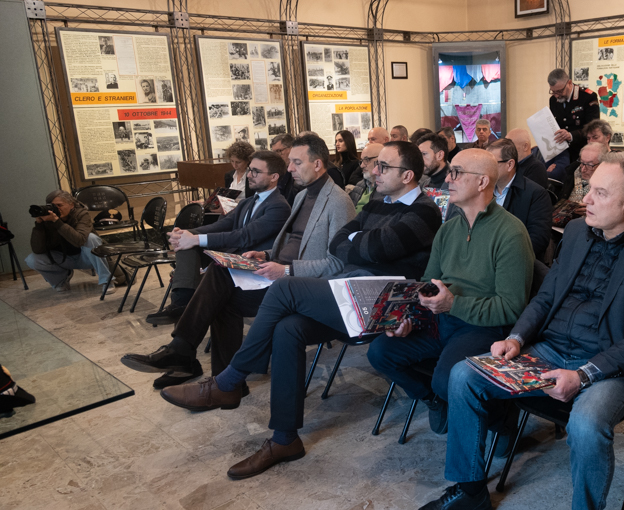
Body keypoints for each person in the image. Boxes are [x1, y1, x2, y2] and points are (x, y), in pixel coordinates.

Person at [413, 151, 624, 510]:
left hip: (611, 365)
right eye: (589, 188)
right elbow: (545, 297)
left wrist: (584, 375)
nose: (586, 199)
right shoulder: (577, 232)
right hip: (552, 348)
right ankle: (470, 489)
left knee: (584, 422)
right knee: (465, 374)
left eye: (599, 192)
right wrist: (516, 338)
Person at [157, 141, 443, 479]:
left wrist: (358, 246)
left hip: (382, 304)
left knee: (286, 286)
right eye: (374, 164)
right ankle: (284, 438)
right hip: (349, 292)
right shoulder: (378, 203)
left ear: (407, 175)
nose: (373, 171)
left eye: (383, 166)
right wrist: (359, 246)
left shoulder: (424, 211)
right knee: (288, 328)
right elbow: (342, 243)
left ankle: (230, 380)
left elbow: (373, 248)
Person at [122, 136, 356, 388]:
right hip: (275, 270)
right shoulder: (301, 197)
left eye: (296, 163)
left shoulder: (338, 201)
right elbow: (290, 242)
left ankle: (191, 359)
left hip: (299, 284)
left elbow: (337, 264)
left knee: (221, 290)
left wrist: (285, 268)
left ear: (318, 164)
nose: (289, 169)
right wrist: (266, 255)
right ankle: (213, 375)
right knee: (219, 277)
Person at [367, 148, 535, 433]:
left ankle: (502, 421)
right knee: (380, 352)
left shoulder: (511, 232)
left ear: (482, 182)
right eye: (450, 172)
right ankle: (434, 399)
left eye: (457, 173)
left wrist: (452, 305)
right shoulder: (449, 229)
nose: (447, 180)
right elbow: (430, 284)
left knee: (446, 378)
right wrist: (408, 319)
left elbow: (511, 308)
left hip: (482, 328)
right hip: (441, 318)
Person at [144, 151, 291, 325]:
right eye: (250, 170)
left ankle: (183, 304)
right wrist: (188, 233)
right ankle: (181, 301)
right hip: (232, 257)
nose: (249, 175)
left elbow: (244, 237)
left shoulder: (279, 206)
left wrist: (196, 239)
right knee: (186, 242)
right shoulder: (248, 202)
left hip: (251, 263)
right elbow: (221, 225)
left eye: (256, 172)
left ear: (274, 176)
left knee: (193, 243)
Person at [26, 190, 113, 294]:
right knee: (32, 260)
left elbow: (79, 240)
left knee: (91, 238)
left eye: (59, 205)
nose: (56, 209)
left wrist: (57, 222)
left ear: (71, 205)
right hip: (64, 259)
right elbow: (37, 249)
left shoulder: (81, 214)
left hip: (86, 257)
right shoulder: (47, 219)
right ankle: (61, 280)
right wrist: (39, 225)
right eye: (53, 206)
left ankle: (107, 281)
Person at [488, 139, 553, 258]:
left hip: (515, 261)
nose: (486, 169)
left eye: (492, 163)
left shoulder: (536, 194)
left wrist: (503, 257)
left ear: (510, 165)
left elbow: (538, 240)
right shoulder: (484, 190)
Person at [547, 69, 600, 179]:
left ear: (569, 83)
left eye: (559, 91)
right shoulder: (553, 101)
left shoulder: (587, 97)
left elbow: (593, 128)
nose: (556, 95)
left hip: (583, 155)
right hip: (562, 155)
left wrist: (571, 135)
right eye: (553, 91)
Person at [557, 142, 607, 210]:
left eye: (589, 165)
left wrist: (593, 211)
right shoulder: (571, 173)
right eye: (582, 163)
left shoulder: (608, 184)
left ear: (602, 164)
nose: (583, 170)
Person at [348, 143, 384, 210]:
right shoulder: (359, 185)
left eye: (366, 160)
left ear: (380, 160)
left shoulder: (387, 189)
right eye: (361, 161)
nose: (361, 165)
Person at [270, 133, 298, 203]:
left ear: (291, 148)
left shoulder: (298, 169)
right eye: (274, 152)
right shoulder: (277, 169)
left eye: (279, 151)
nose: (277, 156)